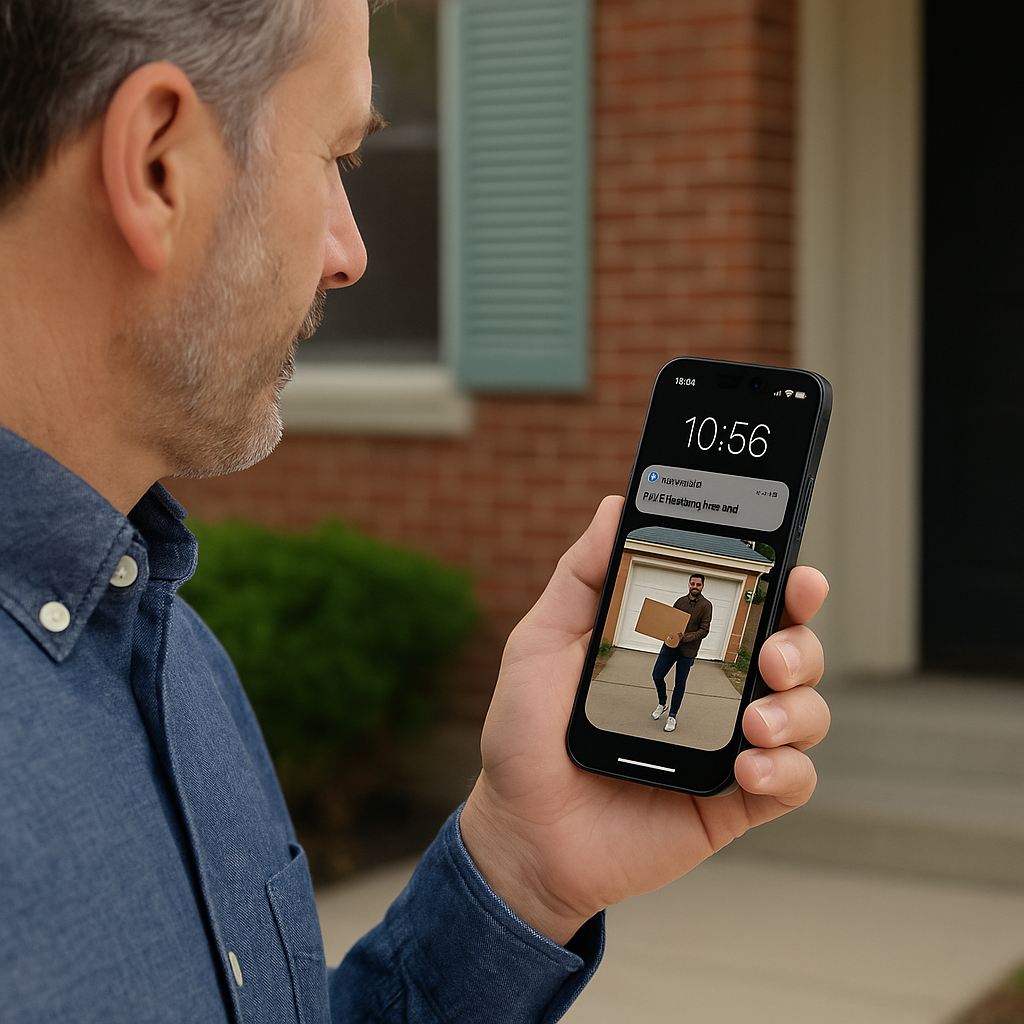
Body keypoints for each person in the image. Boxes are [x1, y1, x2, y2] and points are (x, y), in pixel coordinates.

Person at [0, 0, 832, 1020]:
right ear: (158, 163)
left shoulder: (166, 649)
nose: (349, 252)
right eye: (336, 155)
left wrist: (520, 871)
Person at [651, 574, 714, 733]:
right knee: (657, 675)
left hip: (688, 651)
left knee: (679, 684)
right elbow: (670, 621)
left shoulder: (706, 606)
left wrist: (685, 637)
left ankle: (672, 715)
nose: (695, 586)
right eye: (692, 583)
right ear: (688, 584)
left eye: (698, 584)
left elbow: (704, 630)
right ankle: (662, 703)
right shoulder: (680, 601)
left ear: (702, 586)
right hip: (670, 647)